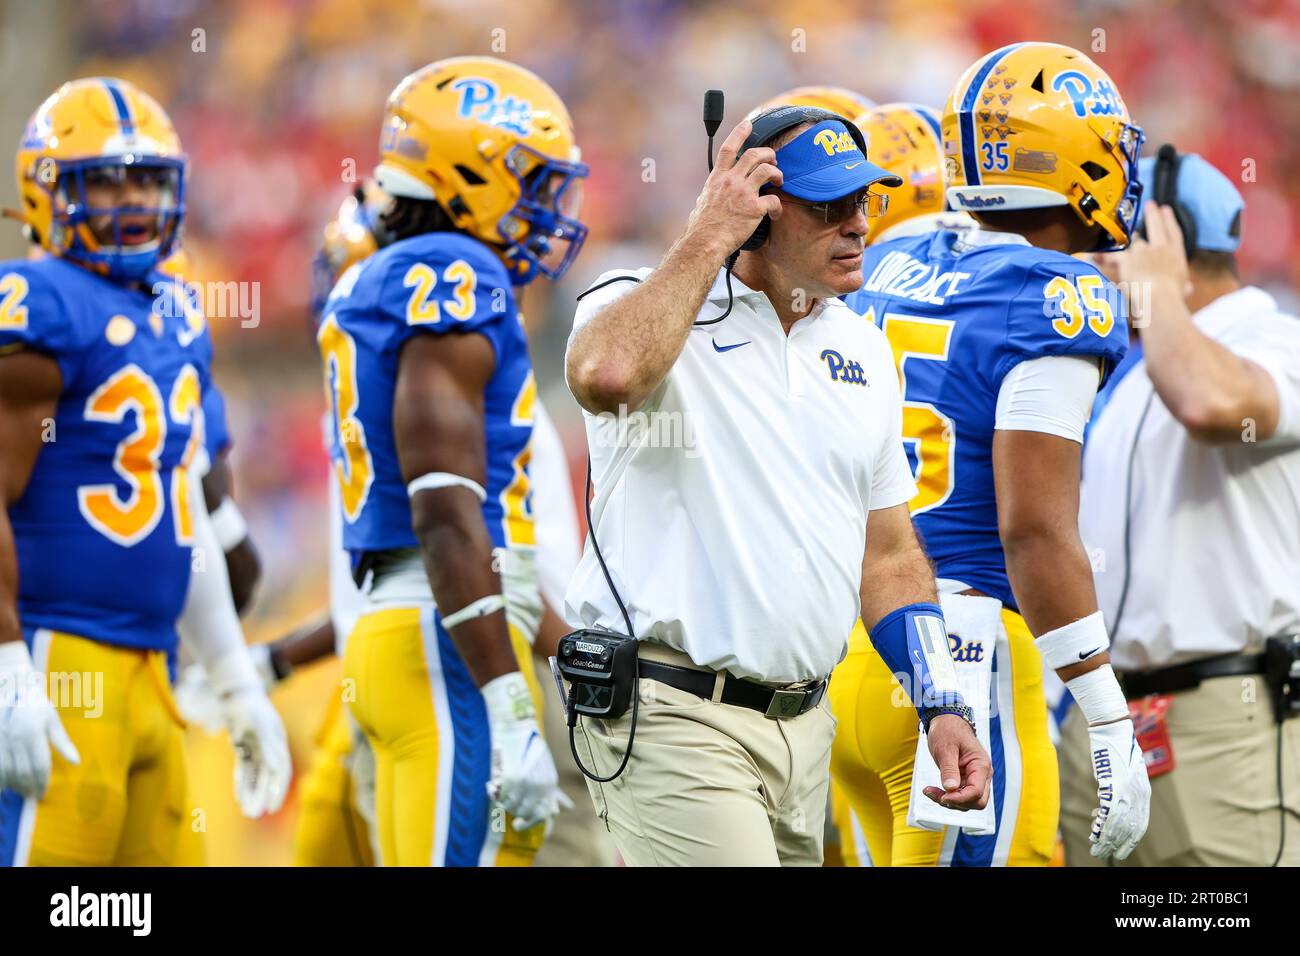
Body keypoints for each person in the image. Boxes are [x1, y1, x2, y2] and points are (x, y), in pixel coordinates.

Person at [564, 103, 990, 867]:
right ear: (756, 215)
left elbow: (889, 556)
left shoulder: (863, 345)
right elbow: (608, 375)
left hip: (806, 727)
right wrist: (706, 235)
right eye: (829, 206)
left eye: (864, 200)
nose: (858, 224)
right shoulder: (640, 301)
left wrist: (940, 699)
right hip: (675, 716)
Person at [841, 41, 1151, 866]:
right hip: (965, 660)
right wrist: (1109, 717)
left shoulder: (893, 258)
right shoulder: (1058, 294)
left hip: (856, 647)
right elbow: (1033, 532)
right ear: (1071, 157)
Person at [0, 77, 288, 866]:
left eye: (148, 180)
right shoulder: (37, 299)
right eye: (107, 180)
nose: (131, 200)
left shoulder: (176, 313)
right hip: (58, 655)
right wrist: (6, 670)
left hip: (154, 666)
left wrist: (233, 676)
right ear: (47, 191)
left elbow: (179, 510)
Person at [317, 57, 587, 866]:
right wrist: (509, 702)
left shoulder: (381, 273)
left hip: (398, 628)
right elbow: (442, 506)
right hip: (451, 637)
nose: (546, 210)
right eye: (531, 181)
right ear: (470, 169)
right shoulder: (452, 272)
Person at [1062, 147, 1300, 867]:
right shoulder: (1141, 365)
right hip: (1106, 727)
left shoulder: (1275, 336)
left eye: (1109, 240)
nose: (1098, 262)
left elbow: (1211, 403)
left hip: (1228, 719)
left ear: (1159, 239)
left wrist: (1157, 289)